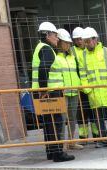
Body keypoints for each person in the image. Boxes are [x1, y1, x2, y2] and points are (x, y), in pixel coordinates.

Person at [31, 22, 72, 162]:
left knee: (48, 123)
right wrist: (44, 90)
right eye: (55, 35)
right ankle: (58, 154)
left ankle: (51, 152)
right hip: (51, 92)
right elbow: (43, 69)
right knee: (56, 123)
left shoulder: (39, 47)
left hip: (43, 91)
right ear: (47, 35)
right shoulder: (47, 49)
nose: (57, 38)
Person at [79, 27, 107, 147]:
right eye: (85, 42)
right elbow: (83, 75)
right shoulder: (83, 56)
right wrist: (87, 90)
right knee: (98, 118)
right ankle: (102, 140)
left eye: (88, 41)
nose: (86, 44)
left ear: (95, 39)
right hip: (94, 93)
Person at [51, 28, 83, 151]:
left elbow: (76, 73)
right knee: (62, 119)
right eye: (66, 42)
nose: (69, 45)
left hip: (74, 92)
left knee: (72, 118)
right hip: (62, 93)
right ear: (59, 42)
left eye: (69, 43)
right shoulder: (55, 57)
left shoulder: (72, 57)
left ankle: (71, 142)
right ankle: (62, 144)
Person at [71, 27, 98, 141]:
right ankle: (83, 135)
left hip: (91, 86)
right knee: (82, 112)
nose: (79, 41)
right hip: (80, 87)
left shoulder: (90, 50)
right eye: (76, 39)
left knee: (93, 111)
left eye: (80, 39)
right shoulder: (72, 51)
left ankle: (96, 134)